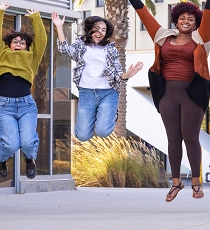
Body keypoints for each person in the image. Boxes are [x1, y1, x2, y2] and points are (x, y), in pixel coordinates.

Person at [120, 0, 210, 202]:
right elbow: (143, 14)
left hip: (192, 93)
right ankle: (176, 182)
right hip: (167, 92)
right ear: (175, 20)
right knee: (172, 138)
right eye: (182, 18)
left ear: (195, 23)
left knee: (190, 137)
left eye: (191, 19)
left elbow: (209, 13)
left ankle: (196, 182)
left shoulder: (202, 39)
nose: (186, 21)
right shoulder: (161, 36)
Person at [52, 13, 143, 142]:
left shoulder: (111, 49)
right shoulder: (81, 45)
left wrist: (127, 75)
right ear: (90, 30)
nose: (100, 32)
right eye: (97, 28)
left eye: (104, 30)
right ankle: (99, 115)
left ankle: (110, 114)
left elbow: (117, 74)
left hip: (108, 92)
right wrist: (59, 27)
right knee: (82, 136)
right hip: (87, 92)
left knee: (103, 131)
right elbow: (64, 49)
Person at [0, 1, 47, 179]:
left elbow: (42, 41)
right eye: (15, 41)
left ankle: (30, 159)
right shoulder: (0, 55)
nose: (18, 43)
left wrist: (36, 18)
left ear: (27, 47)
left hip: (26, 105)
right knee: (10, 145)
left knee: (28, 142)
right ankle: (1, 159)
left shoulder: (31, 58)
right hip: (5, 107)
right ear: (9, 45)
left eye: (22, 42)